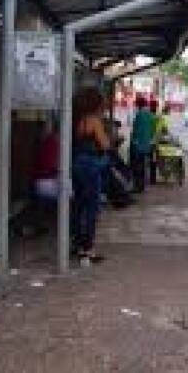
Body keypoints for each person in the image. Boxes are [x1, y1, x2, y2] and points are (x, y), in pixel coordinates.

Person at [72, 88, 111, 264]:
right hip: (91, 166)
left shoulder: (78, 120)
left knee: (80, 205)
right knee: (92, 208)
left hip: (77, 164)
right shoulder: (94, 121)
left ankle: (78, 245)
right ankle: (88, 249)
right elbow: (104, 145)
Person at [130, 95, 154, 192]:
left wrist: (134, 141)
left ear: (138, 104)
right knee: (142, 165)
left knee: (137, 166)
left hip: (138, 145)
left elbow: (136, 130)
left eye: (136, 104)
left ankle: (137, 186)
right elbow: (151, 129)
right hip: (146, 144)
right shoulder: (149, 114)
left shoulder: (140, 114)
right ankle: (141, 186)